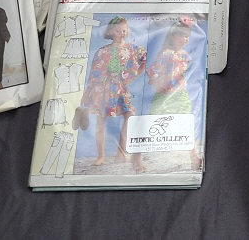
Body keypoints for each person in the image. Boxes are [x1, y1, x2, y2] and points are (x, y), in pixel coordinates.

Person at [74, 16, 146, 168]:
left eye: (124, 30)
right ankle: (101, 156)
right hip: (104, 89)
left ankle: (121, 151)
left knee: (129, 115)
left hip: (121, 88)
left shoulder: (133, 48)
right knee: (101, 120)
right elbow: (94, 73)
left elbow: (146, 59)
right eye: (118, 31)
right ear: (111, 32)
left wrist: (134, 77)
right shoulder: (103, 51)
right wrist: (87, 93)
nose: (122, 33)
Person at [147, 18, 202, 170]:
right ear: (173, 36)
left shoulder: (185, 56)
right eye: (182, 35)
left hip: (181, 94)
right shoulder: (166, 54)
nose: (185, 39)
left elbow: (186, 74)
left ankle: (193, 157)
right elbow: (154, 71)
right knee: (161, 125)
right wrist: (157, 80)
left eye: (187, 36)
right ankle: (166, 157)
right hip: (165, 95)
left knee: (187, 126)